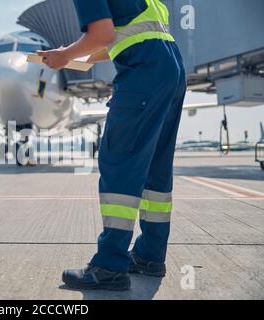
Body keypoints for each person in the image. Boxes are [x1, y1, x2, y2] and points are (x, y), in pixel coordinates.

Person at [38, 0, 186, 291]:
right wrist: (84, 55)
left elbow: (102, 33)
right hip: (170, 67)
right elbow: (124, 34)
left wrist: (64, 56)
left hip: (143, 70)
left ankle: (109, 266)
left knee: (120, 163)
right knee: (156, 168)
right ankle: (149, 256)